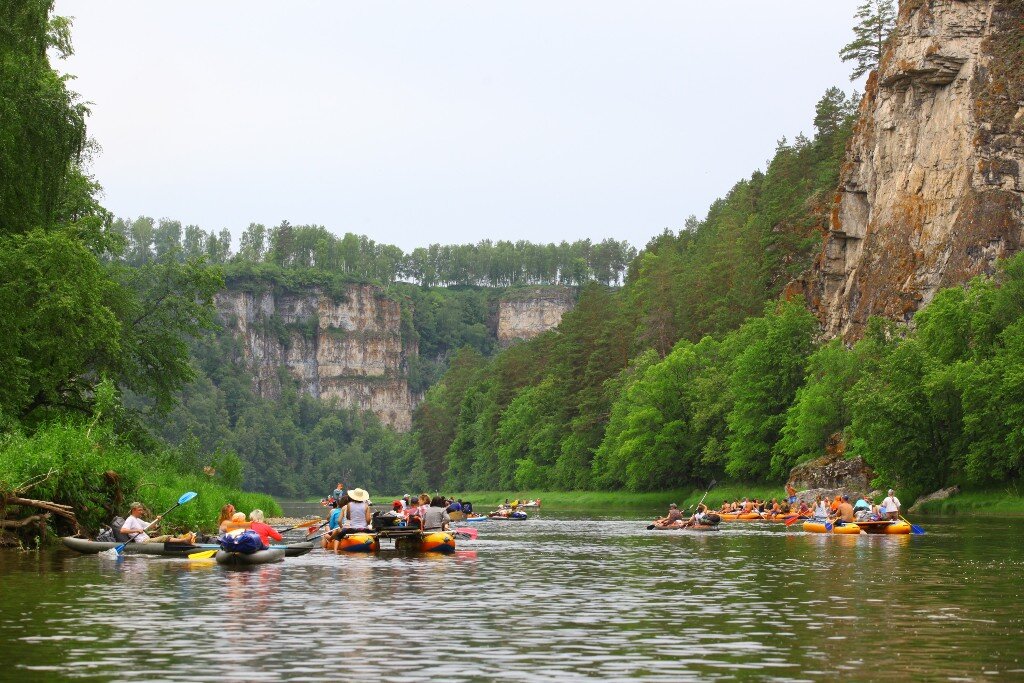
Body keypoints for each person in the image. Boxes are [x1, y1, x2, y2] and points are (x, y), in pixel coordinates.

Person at [120, 502, 190, 544]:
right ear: (134, 510)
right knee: (164, 537)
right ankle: (183, 541)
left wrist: (157, 520)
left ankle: (183, 539)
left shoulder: (137, 520)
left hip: (147, 539)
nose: (142, 512)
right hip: (143, 542)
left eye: (142, 510)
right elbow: (122, 530)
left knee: (170, 536)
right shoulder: (130, 519)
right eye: (139, 510)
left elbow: (151, 526)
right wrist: (136, 530)